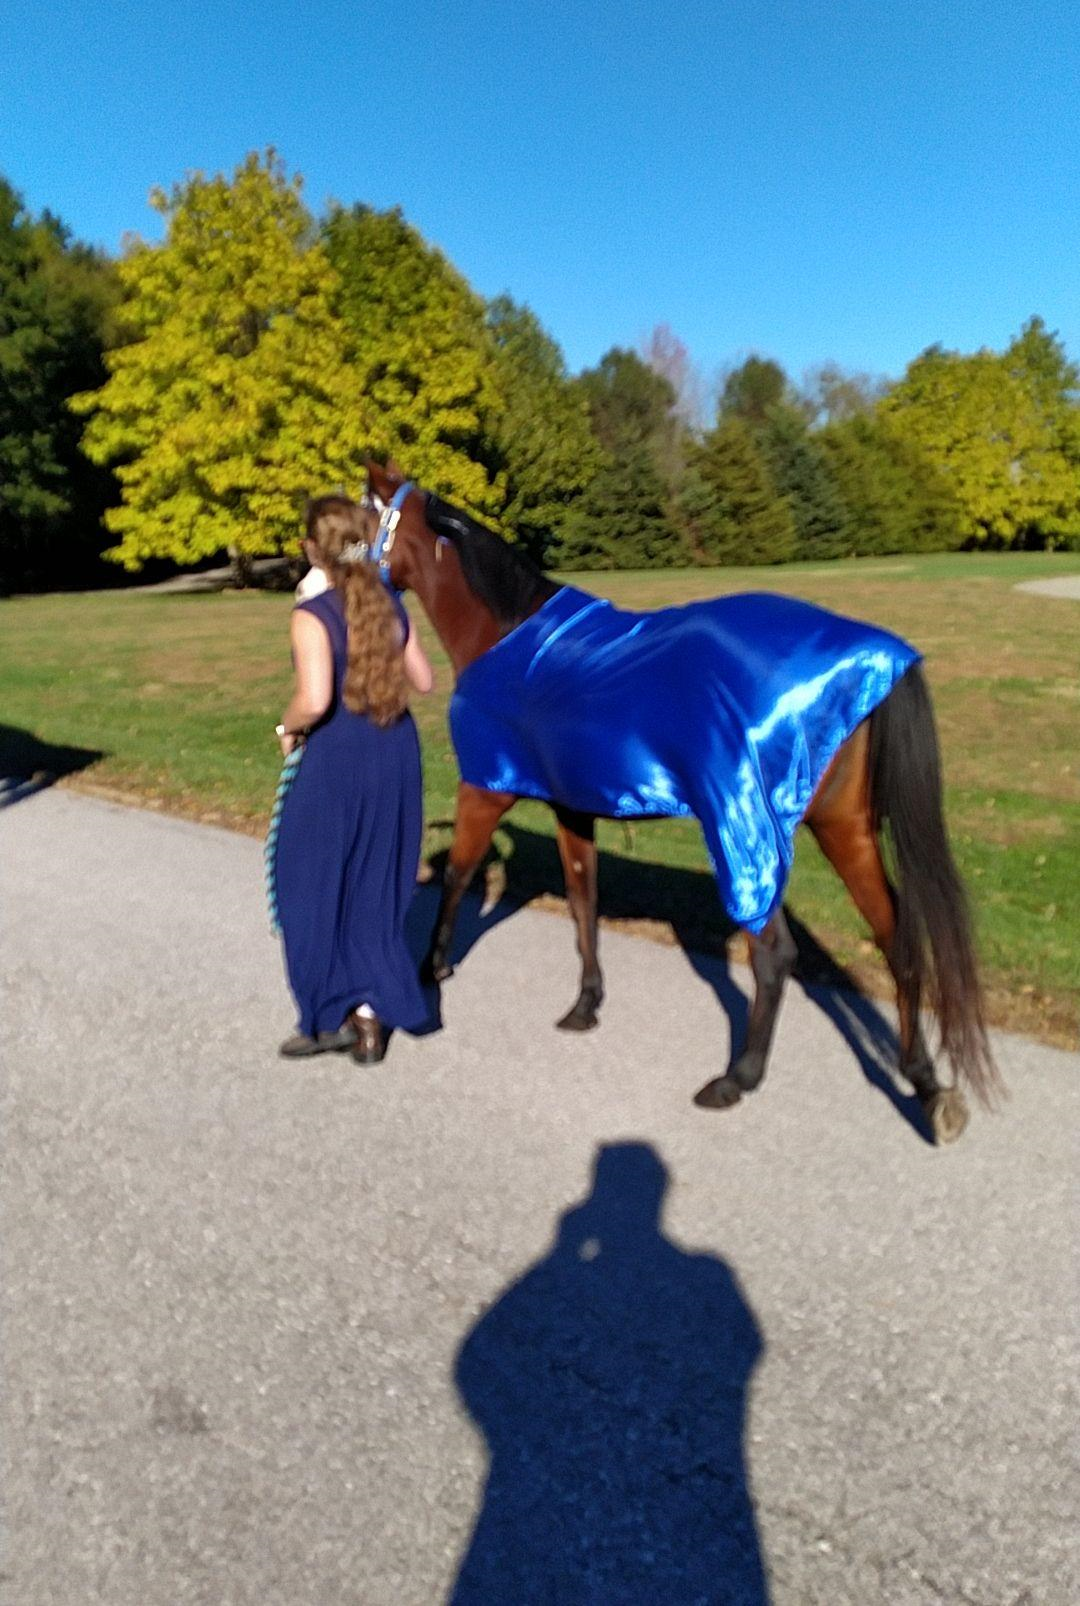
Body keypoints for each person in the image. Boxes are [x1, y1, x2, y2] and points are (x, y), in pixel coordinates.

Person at [269, 494, 433, 1065]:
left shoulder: (311, 615)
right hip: (395, 756)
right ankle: (368, 1021)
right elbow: (424, 681)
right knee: (373, 884)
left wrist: (286, 726)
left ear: (311, 549)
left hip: (337, 759)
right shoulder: (390, 603)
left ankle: (328, 1014)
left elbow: (314, 700)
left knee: (307, 885)